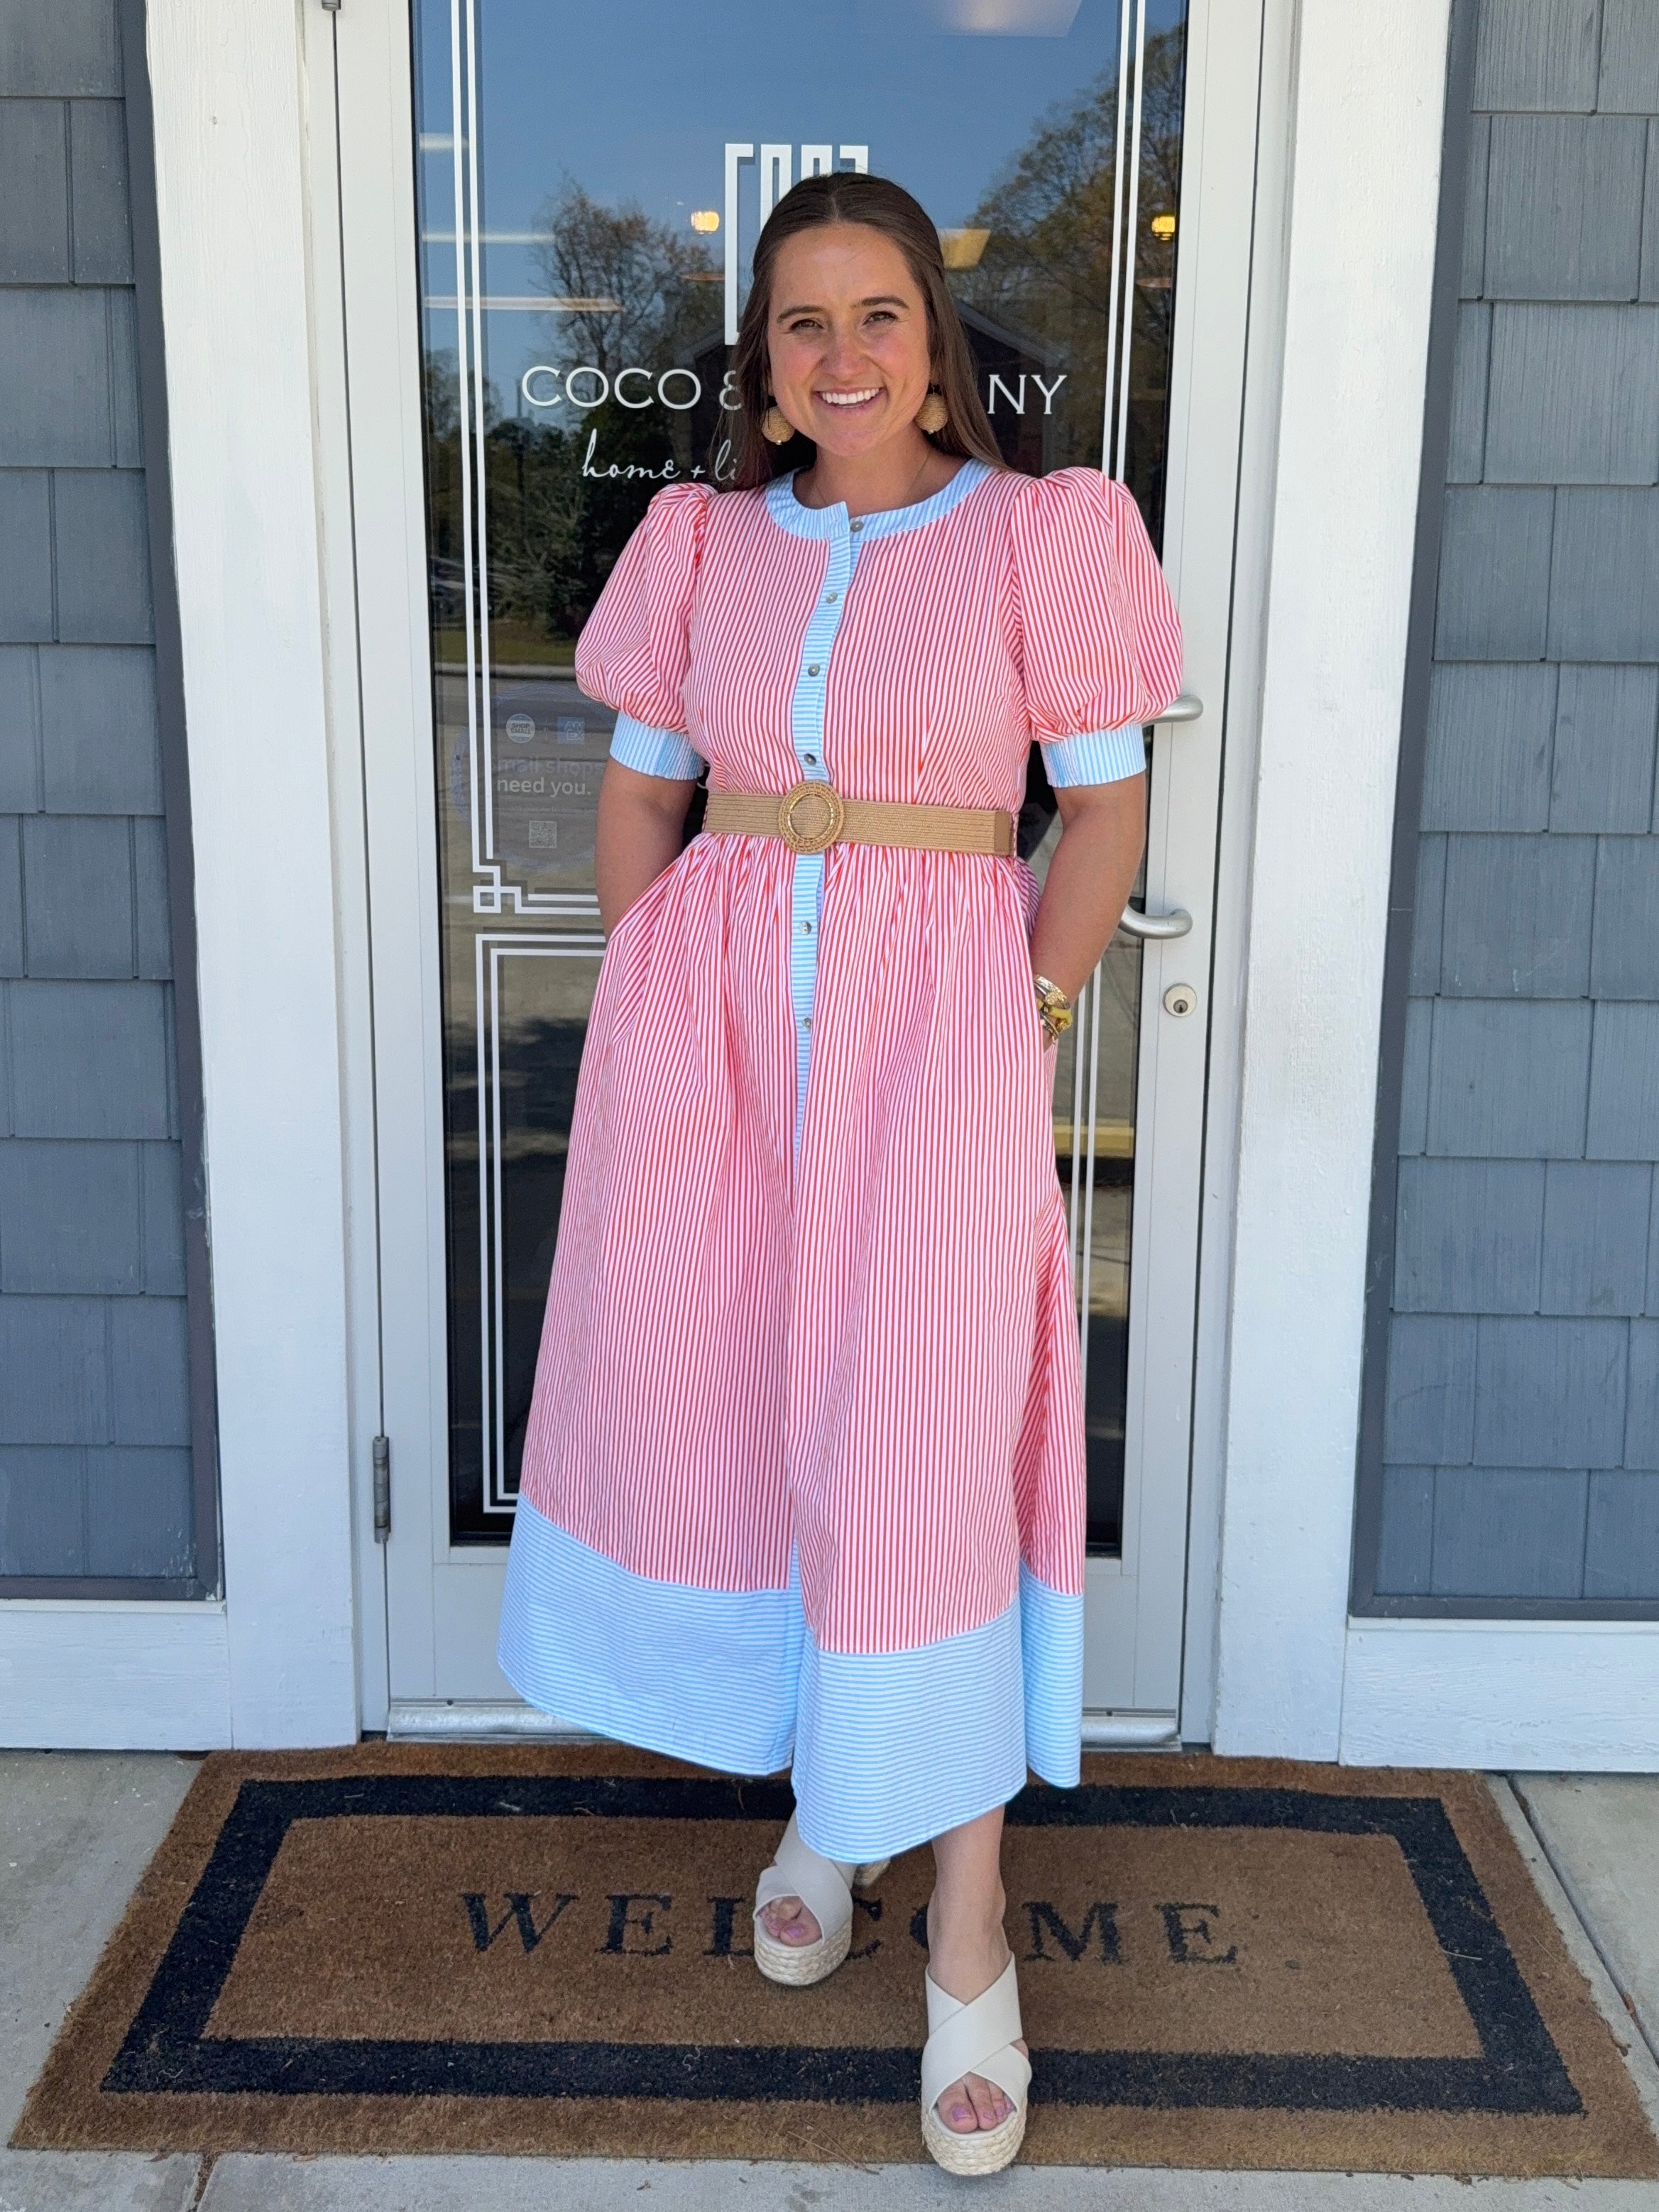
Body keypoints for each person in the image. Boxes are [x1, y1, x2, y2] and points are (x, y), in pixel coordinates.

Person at [498, 170, 1181, 2175]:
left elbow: (1101, 819)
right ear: (766, 365)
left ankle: (966, 1918)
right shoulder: (702, 543)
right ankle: (827, 1799)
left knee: (917, 1460)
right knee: (745, 1419)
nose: (844, 353)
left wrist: (1015, 1020)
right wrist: (654, 1011)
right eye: (802, 322)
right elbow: (643, 794)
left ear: (935, 344)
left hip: (933, 1066)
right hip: (714, 1071)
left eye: (879, 313)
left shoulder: (1041, 535)